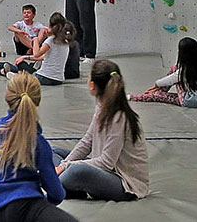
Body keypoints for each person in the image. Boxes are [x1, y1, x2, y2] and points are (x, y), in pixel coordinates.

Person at [0, 72, 78, 222]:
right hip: (29, 206)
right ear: (37, 103)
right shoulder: (37, 141)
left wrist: (0, 191)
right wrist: (47, 202)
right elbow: (56, 191)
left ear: (7, 98)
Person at [53, 60, 149, 201]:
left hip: (124, 183)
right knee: (52, 151)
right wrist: (63, 165)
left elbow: (107, 163)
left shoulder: (118, 117)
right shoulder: (102, 106)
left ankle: (56, 185)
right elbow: (87, 141)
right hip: (104, 170)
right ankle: (65, 185)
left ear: (92, 85)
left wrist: (66, 166)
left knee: (76, 171)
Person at [130, 37, 197, 107]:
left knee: (159, 94)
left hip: (190, 101)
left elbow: (170, 79)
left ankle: (133, 97)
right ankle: (158, 92)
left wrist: (156, 84)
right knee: (175, 70)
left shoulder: (184, 71)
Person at [12, 13, 75, 86]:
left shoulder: (51, 40)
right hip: (59, 79)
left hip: (44, 77)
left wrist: (35, 40)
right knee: (26, 66)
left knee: (21, 66)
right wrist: (26, 57)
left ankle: (15, 76)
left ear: (50, 25)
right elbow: (45, 57)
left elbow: (36, 54)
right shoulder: (65, 41)